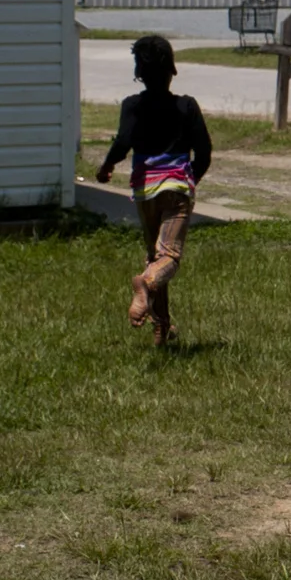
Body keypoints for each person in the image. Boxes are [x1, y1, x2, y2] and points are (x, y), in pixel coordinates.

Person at [94, 35, 213, 347]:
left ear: (139, 72)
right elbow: (204, 151)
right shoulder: (186, 106)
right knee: (168, 258)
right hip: (175, 189)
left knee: (154, 256)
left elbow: (123, 142)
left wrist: (107, 166)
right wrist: (189, 181)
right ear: (172, 70)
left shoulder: (132, 106)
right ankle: (144, 283)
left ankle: (162, 328)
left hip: (145, 191)